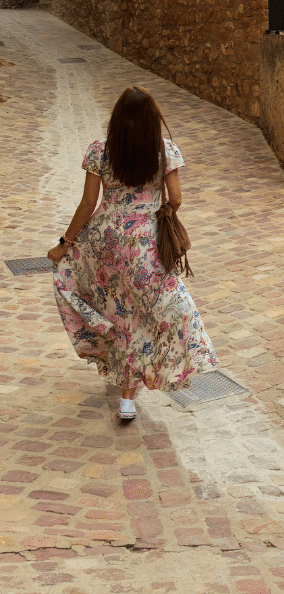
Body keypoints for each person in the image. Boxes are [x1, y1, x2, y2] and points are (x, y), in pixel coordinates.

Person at [47, 85, 218, 420]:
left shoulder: (100, 151)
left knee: (119, 311)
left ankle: (125, 391)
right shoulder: (165, 152)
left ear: (117, 119)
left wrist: (64, 243)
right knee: (160, 306)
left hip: (104, 243)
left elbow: (87, 204)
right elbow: (177, 199)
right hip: (145, 243)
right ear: (153, 119)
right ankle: (134, 392)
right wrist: (157, 210)